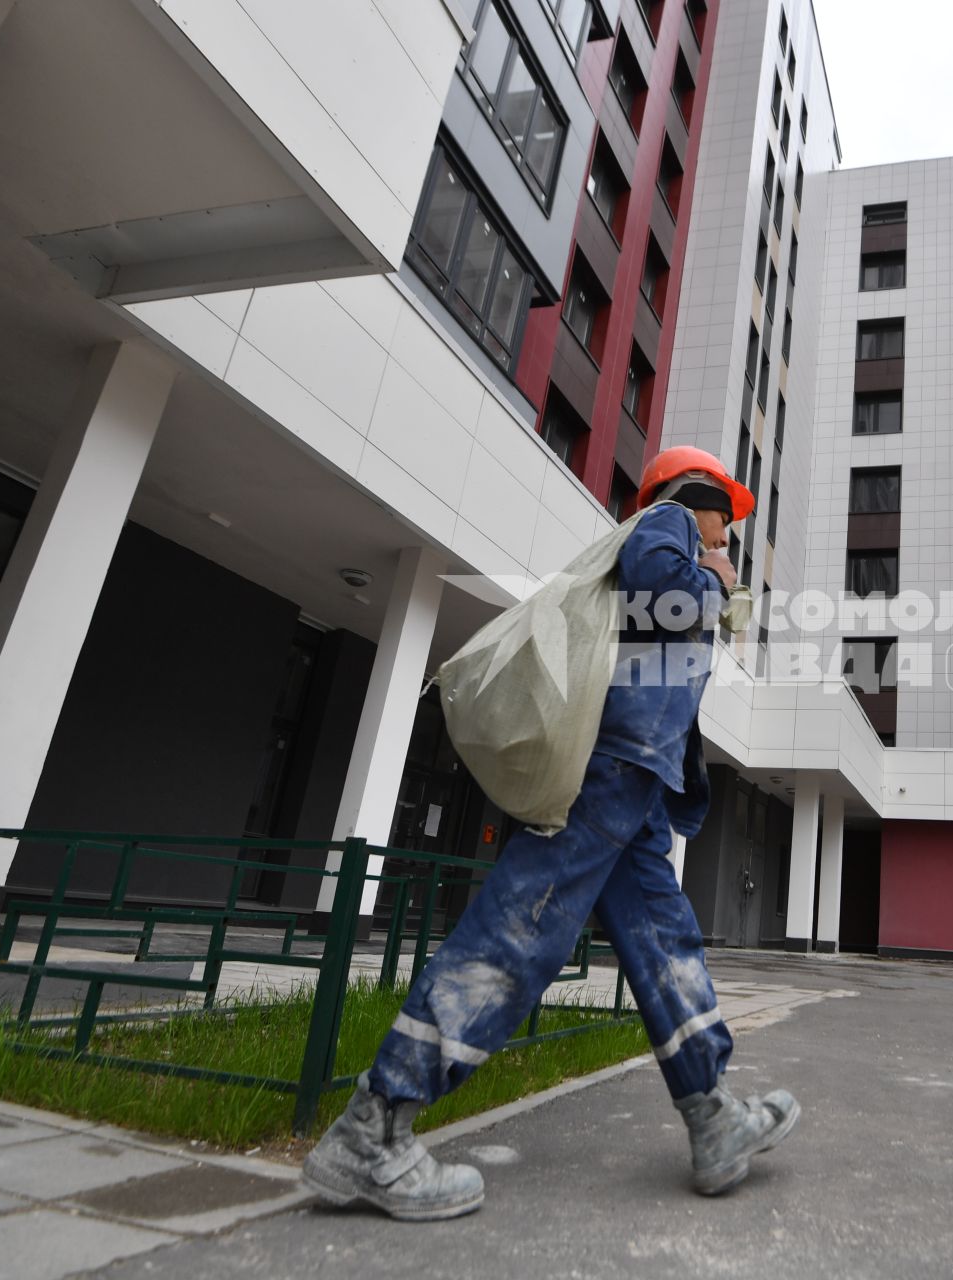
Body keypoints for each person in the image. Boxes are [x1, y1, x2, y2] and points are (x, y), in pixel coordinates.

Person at [302, 447, 799, 1221]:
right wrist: (713, 583)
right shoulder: (664, 522)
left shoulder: (672, 533)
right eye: (723, 521)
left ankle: (714, 1116)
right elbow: (664, 587)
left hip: (634, 788)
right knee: (519, 929)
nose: (724, 540)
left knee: (667, 945)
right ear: (690, 496)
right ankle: (374, 1128)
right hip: (610, 775)